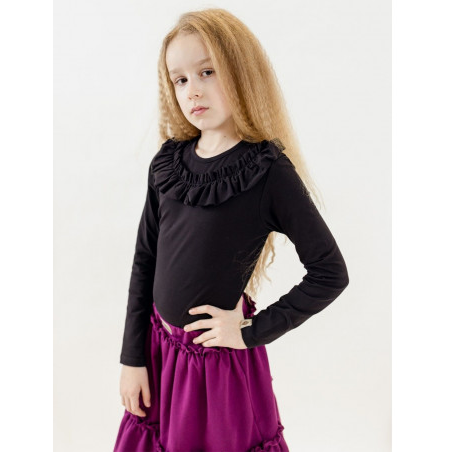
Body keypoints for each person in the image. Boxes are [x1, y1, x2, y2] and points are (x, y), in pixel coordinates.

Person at [113, 7, 349, 452]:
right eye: (180, 79)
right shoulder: (168, 163)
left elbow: (330, 272)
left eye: (207, 72)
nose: (193, 90)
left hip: (217, 367)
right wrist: (132, 358)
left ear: (240, 71)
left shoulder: (266, 170)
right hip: (160, 354)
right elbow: (145, 260)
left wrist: (248, 332)